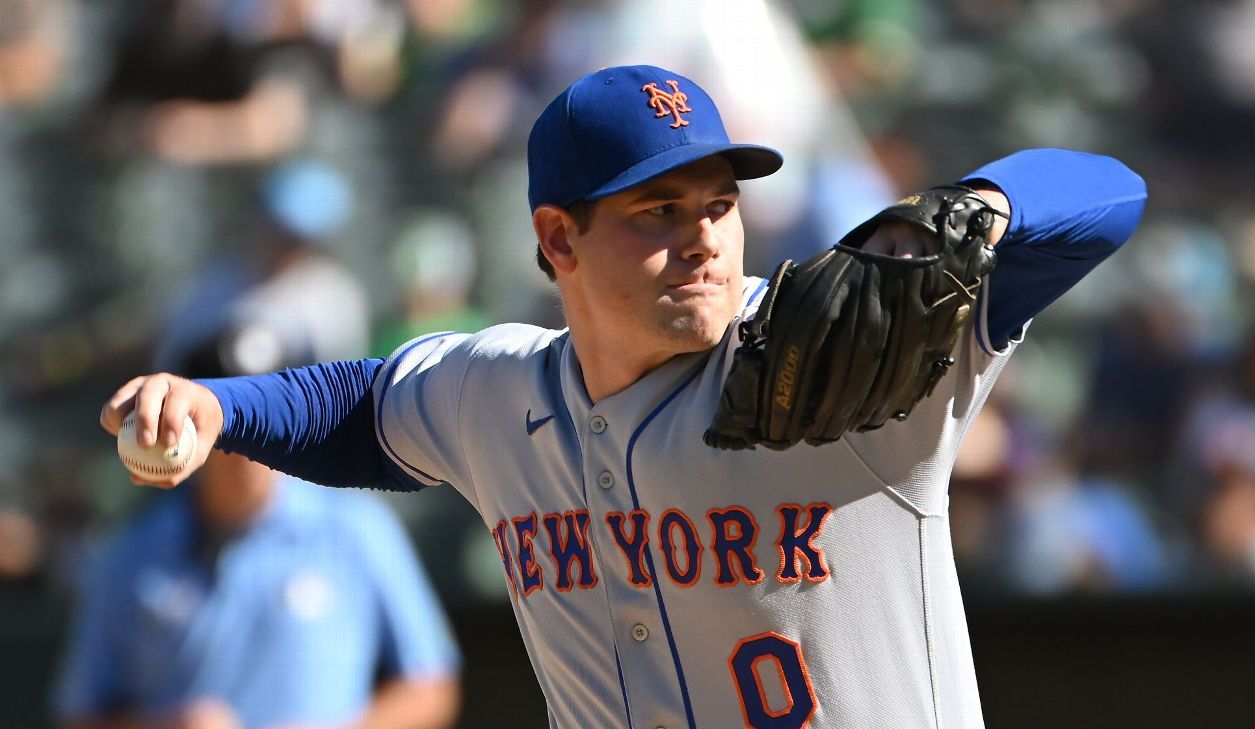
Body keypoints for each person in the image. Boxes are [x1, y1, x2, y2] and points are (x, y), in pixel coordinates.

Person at [101, 65, 1147, 728]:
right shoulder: (497, 390)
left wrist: (974, 209)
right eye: (658, 208)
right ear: (558, 238)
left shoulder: (848, 353)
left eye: (720, 204)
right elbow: (359, 408)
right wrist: (220, 408)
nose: (702, 235)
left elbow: (1110, 197)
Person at [62, 275, 461, 727]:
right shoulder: (132, 551)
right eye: (232, 423)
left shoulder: (355, 528)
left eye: (264, 416)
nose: (251, 447)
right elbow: (81, 713)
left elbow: (431, 686)